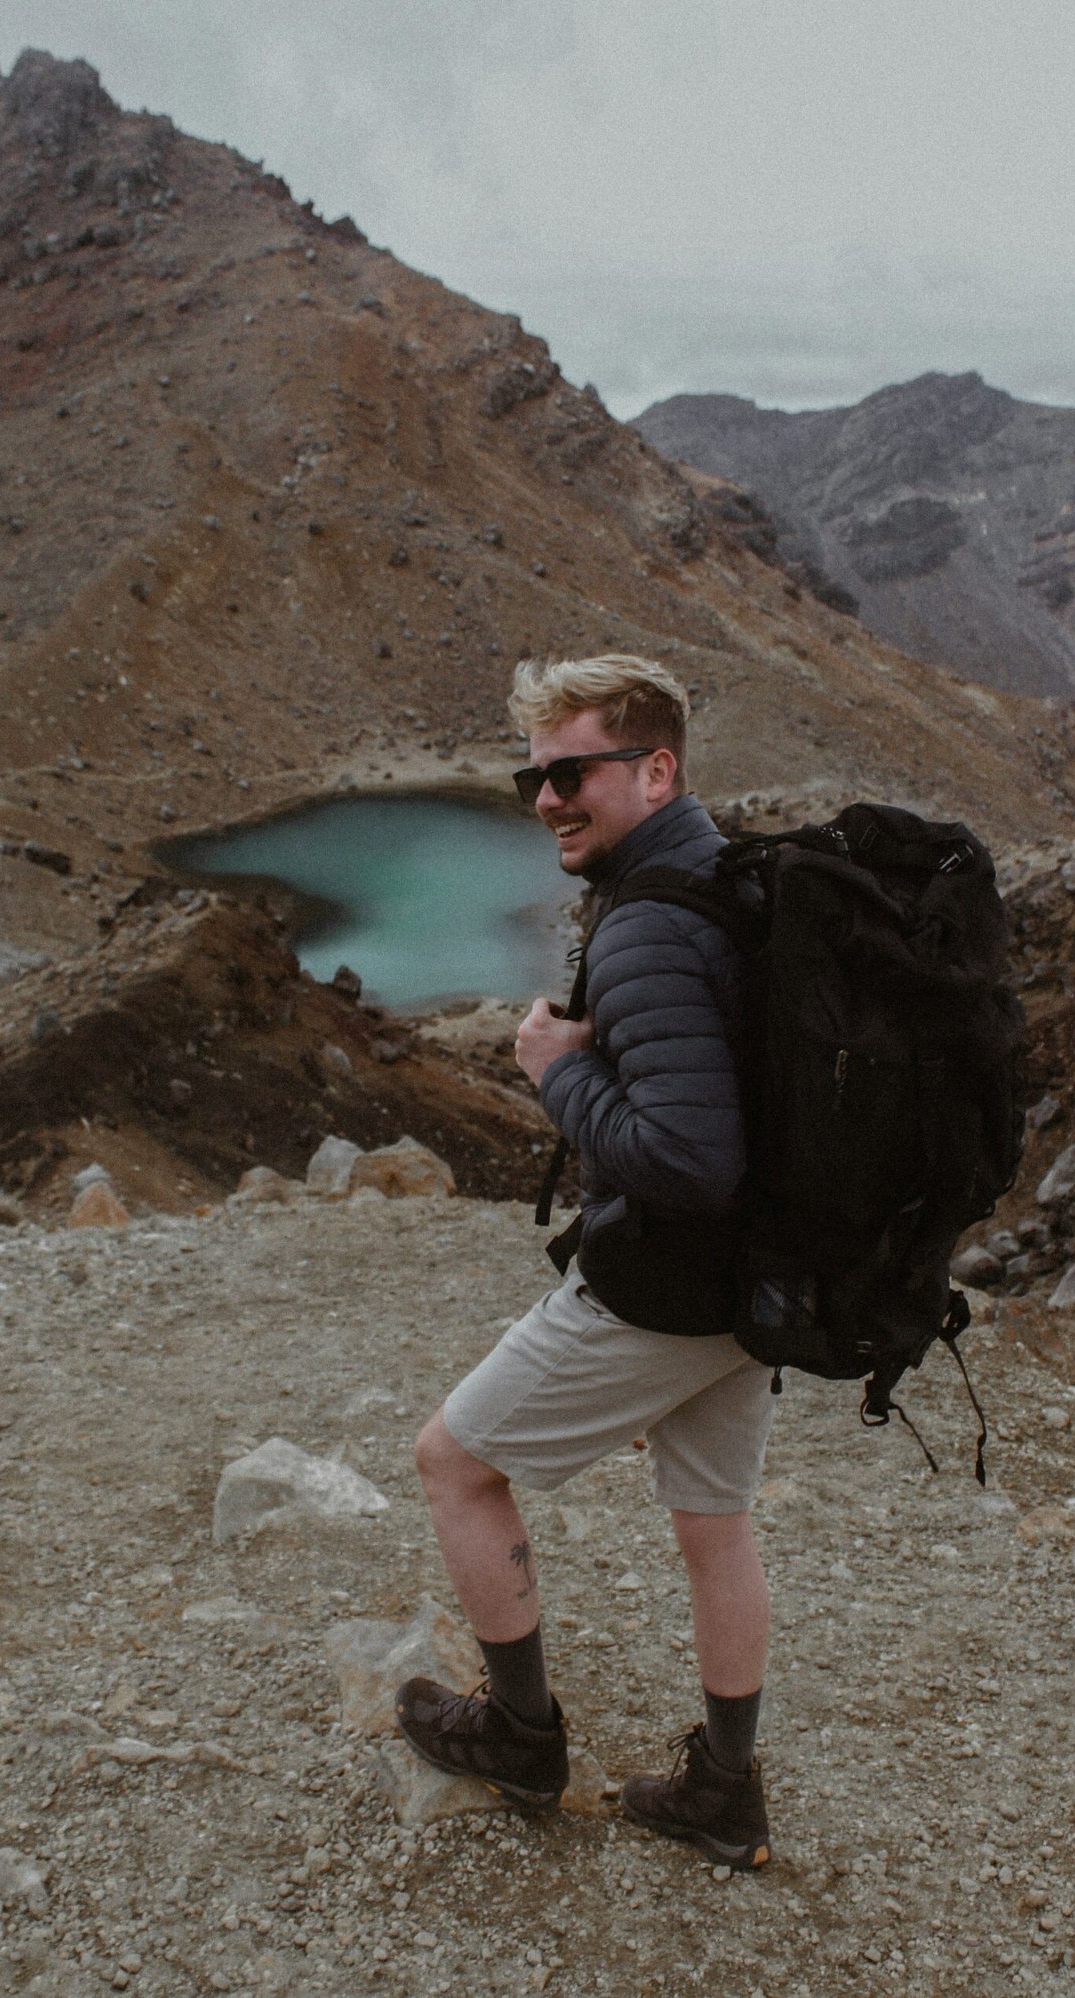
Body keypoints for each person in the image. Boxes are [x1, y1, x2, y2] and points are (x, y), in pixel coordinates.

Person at [395, 653, 776, 1870]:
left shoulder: (652, 930)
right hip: (759, 1285)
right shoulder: (730, 878)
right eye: (534, 777)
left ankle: (519, 1734)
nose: (549, 798)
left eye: (573, 772)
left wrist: (557, 1071)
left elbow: (687, 1157)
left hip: (667, 1285)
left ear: (654, 768)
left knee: (453, 1463)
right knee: (715, 1523)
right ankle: (724, 1789)